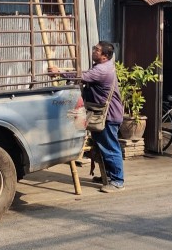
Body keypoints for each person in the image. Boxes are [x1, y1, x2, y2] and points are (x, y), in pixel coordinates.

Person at [49, 41, 125, 193]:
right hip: (105, 113)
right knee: (103, 146)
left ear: (105, 56)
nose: (93, 51)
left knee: (110, 147)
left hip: (108, 115)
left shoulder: (102, 70)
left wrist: (60, 72)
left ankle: (117, 181)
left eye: (97, 50)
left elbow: (81, 76)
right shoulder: (103, 66)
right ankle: (109, 176)